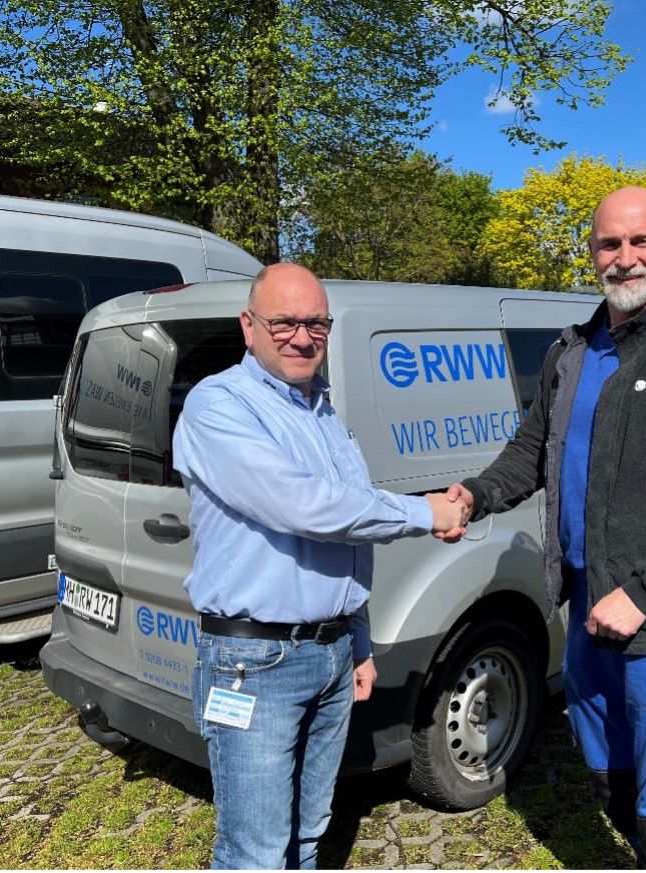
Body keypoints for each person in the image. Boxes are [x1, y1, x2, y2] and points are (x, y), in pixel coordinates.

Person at [447, 186, 646, 869]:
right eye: (609, 243)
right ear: (591, 251)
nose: (624, 258)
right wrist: (475, 495)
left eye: (640, 241)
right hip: (589, 612)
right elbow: (531, 450)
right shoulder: (573, 350)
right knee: (612, 774)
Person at [172, 262, 467, 870]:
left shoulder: (323, 411)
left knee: (309, 834)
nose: (302, 337)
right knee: (255, 852)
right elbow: (307, 508)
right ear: (248, 325)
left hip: (330, 656)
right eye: (284, 323)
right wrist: (425, 513)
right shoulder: (219, 404)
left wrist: (356, 642)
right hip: (256, 664)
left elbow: (347, 540)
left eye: (316, 323)